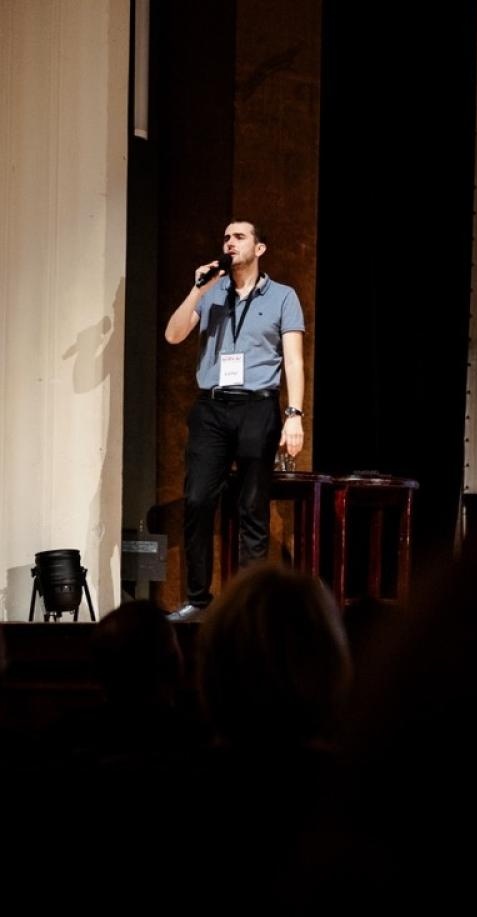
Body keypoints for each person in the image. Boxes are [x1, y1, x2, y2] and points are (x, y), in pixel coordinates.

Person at [163, 221, 305, 622]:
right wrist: (197, 289)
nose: (230, 242)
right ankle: (197, 601)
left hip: (257, 407)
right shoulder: (211, 294)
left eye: (239, 236)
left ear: (259, 249)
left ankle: (249, 607)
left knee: (251, 506)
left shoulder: (282, 297)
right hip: (211, 408)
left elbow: (293, 360)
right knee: (198, 499)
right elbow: (174, 335)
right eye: (226, 236)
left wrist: (294, 414)